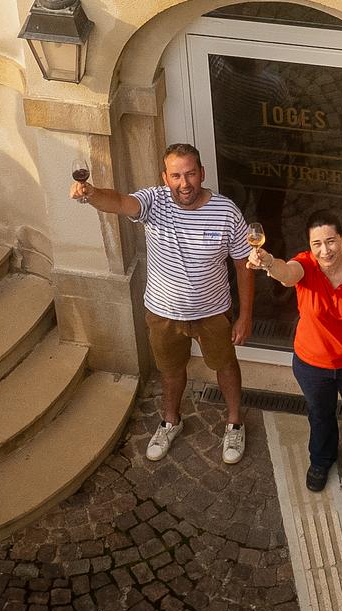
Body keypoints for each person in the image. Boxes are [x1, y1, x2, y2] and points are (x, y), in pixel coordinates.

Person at [73, 144, 255, 464]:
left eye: (190, 174)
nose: (184, 183)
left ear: (202, 173)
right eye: (176, 176)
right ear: (164, 177)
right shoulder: (154, 202)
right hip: (163, 312)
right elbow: (118, 202)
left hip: (213, 312)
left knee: (225, 366)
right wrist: (90, 193)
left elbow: (243, 264)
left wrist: (245, 316)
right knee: (170, 371)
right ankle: (171, 420)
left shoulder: (226, 212)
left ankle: (235, 422)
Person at [249, 213, 342, 495]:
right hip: (312, 363)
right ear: (309, 246)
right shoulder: (305, 265)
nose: (325, 251)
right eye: (317, 244)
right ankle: (322, 460)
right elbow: (287, 276)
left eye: (331, 241)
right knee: (319, 414)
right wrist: (269, 263)